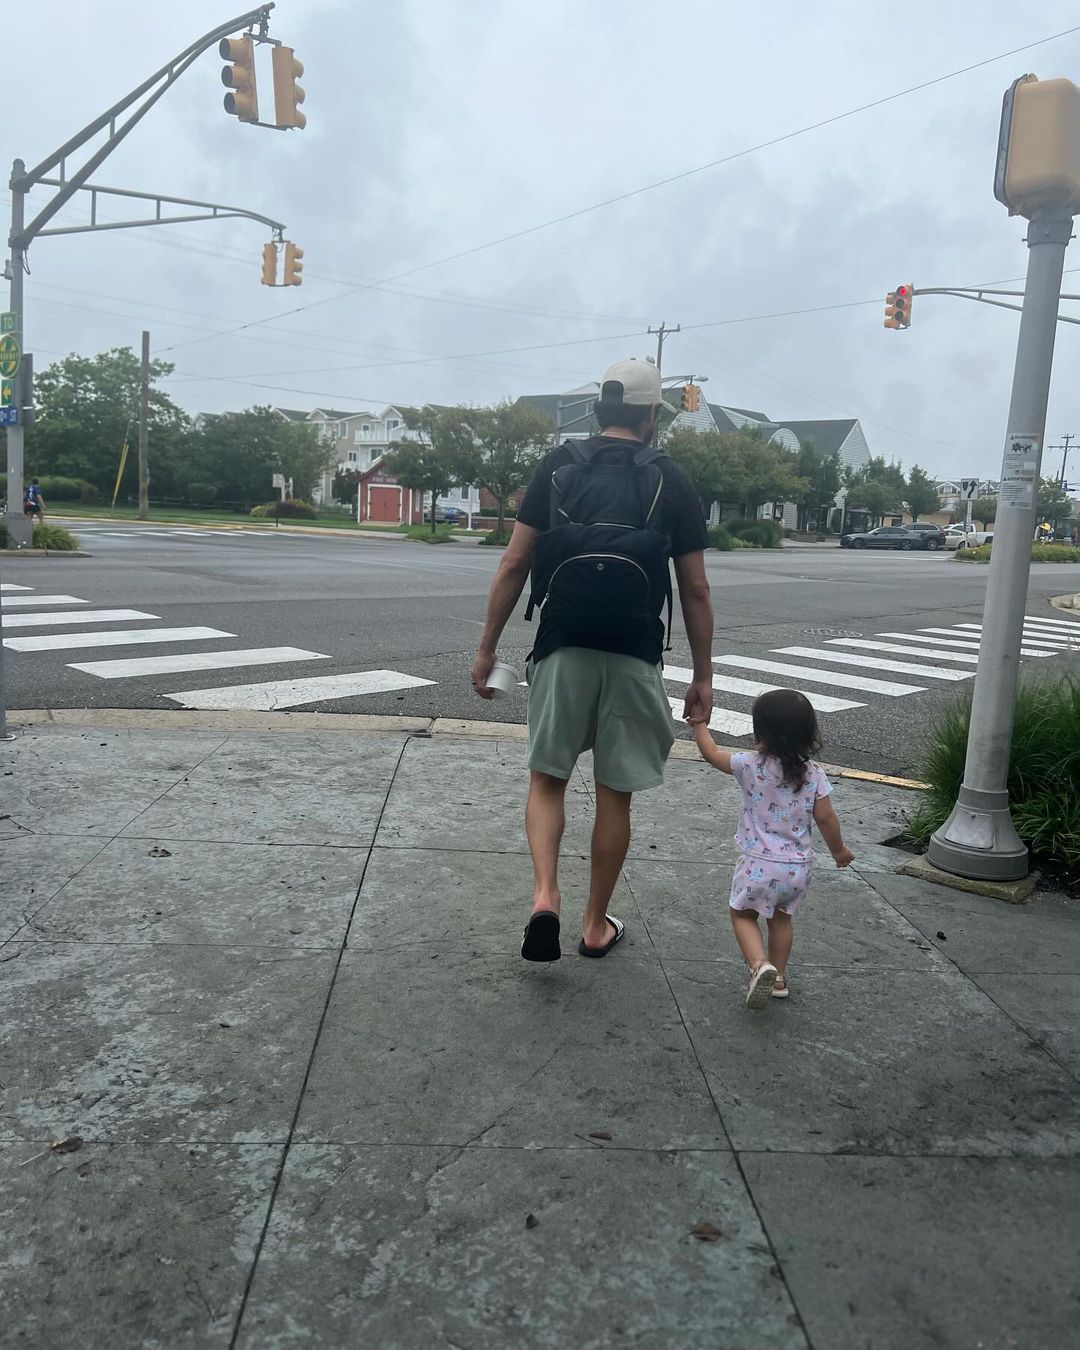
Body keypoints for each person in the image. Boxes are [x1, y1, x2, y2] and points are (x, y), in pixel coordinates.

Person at [470, 357, 715, 962]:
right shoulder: (672, 478)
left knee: (547, 779)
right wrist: (704, 675)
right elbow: (695, 591)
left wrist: (487, 647)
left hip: (562, 644)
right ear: (653, 413)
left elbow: (513, 564)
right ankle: (594, 924)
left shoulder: (558, 467)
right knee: (615, 794)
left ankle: (545, 896)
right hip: (633, 653)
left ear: (600, 410)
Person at [694, 688, 854, 1007]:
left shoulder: (750, 765)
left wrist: (699, 724)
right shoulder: (814, 774)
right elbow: (826, 817)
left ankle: (759, 966)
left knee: (742, 914)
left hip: (758, 864)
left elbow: (711, 754)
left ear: (760, 732)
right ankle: (778, 978)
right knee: (781, 919)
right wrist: (839, 851)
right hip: (797, 868)